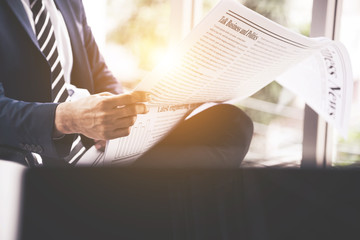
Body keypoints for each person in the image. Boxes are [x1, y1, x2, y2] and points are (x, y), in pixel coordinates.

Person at [0, 0, 253, 168]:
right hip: (38, 157)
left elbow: (99, 72)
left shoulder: (68, 3)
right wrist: (67, 119)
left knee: (231, 124)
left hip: (98, 148)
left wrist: (129, 113)